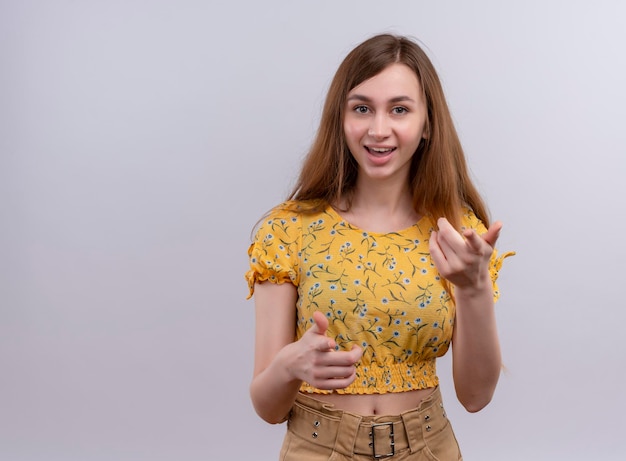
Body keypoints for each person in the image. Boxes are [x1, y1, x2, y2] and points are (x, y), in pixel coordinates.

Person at [245, 33, 514, 461]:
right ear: (341, 117)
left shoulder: (459, 236)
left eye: (400, 110)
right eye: (362, 108)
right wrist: (290, 366)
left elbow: (476, 397)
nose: (378, 129)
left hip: (428, 447)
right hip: (316, 448)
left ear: (427, 124)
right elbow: (267, 406)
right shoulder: (288, 230)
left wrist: (474, 287)